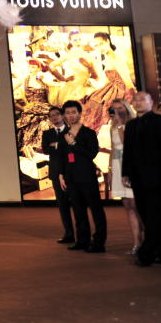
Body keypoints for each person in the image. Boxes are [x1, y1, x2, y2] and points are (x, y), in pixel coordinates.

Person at [122, 91, 161, 267]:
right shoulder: (131, 125)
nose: (138, 102)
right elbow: (128, 151)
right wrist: (125, 173)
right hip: (138, 179)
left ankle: (147, 253)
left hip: (160, 179)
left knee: (157, 216)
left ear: (151, 103)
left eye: (143, 99)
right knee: (145, 214)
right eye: (135, 100)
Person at [59, 100, 105, 253]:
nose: (71, 115)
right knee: (78, 211)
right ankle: (82, 240)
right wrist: (61, 175)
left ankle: (98, 242)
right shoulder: (64, 135)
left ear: (79, 113)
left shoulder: (89, 133)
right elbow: (62, 157)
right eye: (67, 113)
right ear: (64, 115)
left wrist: (74, 144)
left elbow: (91, 154)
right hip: (71, 178)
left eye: (73, 112)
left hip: (87, 177)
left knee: (96, 210)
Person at [106, 100, 141, 254]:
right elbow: (113, 149)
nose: (118, 111)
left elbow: (127, 145)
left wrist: (120, 123)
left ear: (126, 108)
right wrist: (110, 170)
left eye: (120, 108)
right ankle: (136, 243)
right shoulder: (112, 126)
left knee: (136, 205)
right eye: (115, 109)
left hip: (130, 167)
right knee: (127, 206)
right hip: (117, 165)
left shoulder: (132, 124)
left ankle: (148, 240)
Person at [41, 106, 75, 244]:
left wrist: (56, 145)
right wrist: (59, 145)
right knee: (62, 205)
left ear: (62, 116)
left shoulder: (71, 130)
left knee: (77, 204)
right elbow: (45, 150)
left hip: (72, 171)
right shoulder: (47, 133)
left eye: (56, 114)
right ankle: (69, 233)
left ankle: (82, 233)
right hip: (55, 172)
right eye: (51, 116)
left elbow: (71, 149)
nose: (54, 117)